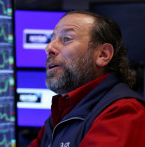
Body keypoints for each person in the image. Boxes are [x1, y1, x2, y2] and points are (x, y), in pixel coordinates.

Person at [29, 10, 145, 147]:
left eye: (66, 39)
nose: (49, 47)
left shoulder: (123, 111)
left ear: (103, 54)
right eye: (51, 39)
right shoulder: (64, 109)